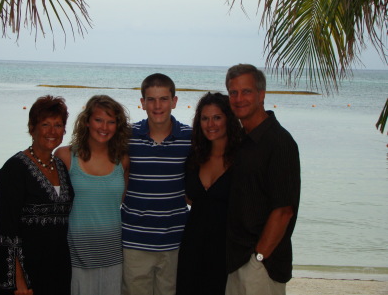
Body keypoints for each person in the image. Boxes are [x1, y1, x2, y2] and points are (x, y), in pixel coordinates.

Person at [0, 95, 74, 295]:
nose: (52, 131)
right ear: (32, 128)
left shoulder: (60, 166)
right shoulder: (14, 169)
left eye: (58, 125)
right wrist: (19, 281)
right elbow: (6, 231)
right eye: (45, 124)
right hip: (23, 275)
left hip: (56, 270)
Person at [224, 64, 301, 295]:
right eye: (233, 92)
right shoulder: (241, 140)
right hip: (237, 260)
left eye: (246, 91)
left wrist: (259, 258)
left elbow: (284, 210)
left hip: (261, 265)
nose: (239, 99)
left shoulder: (279, 142)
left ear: (261, 94)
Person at [121, 73, 192, 295]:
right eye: (151, 99)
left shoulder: (190, 138)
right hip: (134, 241)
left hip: (175, 242)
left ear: (174, 101)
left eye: (163, 99)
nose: (157, 105)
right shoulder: (127, 136)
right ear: (142, 103)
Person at [55, 95, 131, 295]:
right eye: (98, 120)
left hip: (113, 255)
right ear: (87, 121)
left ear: (117, 126)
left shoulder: (122, 160)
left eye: (111, 121)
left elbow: (119, 201)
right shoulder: (64, 156)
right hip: (75, 256)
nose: (104, 127)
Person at [176, 92, 242, 295]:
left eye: (217, 117)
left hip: (227, 250)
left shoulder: (242, 158)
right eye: (205, 118)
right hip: (192, 246)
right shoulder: (195, 157)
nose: (210, 124)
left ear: (228, 119)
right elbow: (189, 196)